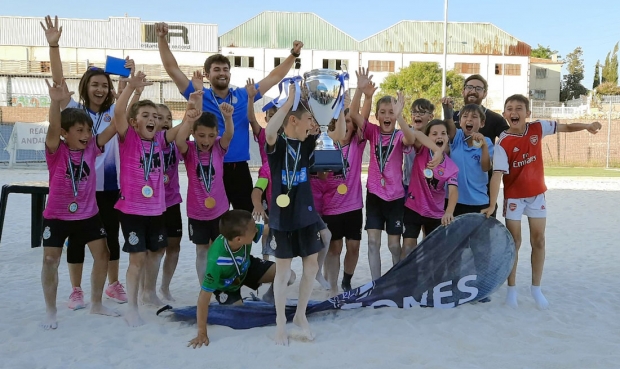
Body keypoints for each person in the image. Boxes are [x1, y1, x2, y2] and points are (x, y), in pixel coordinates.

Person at [156, 21, 304, 213]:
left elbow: (274, 77)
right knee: (214, 222)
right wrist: (161, 39)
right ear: (208, 74)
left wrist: (293, 55)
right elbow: (172, 69)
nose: (222, 73)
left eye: (225, 69)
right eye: (216, 69)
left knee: (245, 220)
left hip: (239, 168)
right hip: (209, 166)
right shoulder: (200, 94)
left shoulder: (243, 95)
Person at [482, 94, 602, 310]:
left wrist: (586, 125)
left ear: (528, 113)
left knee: (539, 241)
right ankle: (512, 289)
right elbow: (497, 176)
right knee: (515, 243)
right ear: (505, 115)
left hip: (537, 195)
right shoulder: (503, 143)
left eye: (519, 108)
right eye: (509, 108)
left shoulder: (538, 128)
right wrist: (493, 204)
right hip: (514, 198)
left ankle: (536, 288)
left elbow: (565, 127)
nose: (514, 111)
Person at [41, 15, 127, 305]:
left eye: (105, 84)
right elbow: (58, 81)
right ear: (86, 87)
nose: (100, 89)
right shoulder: (74, 110)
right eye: (95, 85)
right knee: (76, 241)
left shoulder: (115, 111)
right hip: (79, 190)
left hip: (110, 186)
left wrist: (128, 81)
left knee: (110, 240)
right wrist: (54, 46)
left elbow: (123, 110)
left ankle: (113, 284)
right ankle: (76, 289)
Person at [266, 83, 345, 345]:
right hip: (282, 218)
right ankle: (279, 323)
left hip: (306, 215)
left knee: (311, 264)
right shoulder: (278, 145)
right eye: (309, 119)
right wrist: (289, 101)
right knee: (283, 270)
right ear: (293, 121)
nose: (313, 124)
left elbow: (339, 135)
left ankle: (300, 314)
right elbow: (268, 131)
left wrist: (339, 105)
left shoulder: (308, 142)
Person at [113, 70, 193, 326]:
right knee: (136, 258)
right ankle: (132, 307)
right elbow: (117, 114)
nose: (152, 119)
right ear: (135, 122)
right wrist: (131, 88)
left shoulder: (161, 140)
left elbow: (182, 128)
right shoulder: (128, 139)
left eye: (155, 117)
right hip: (132, 210)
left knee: (157, 249)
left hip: (157, 210)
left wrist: (192, 111)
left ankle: (149, 293)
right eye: (145, 116)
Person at [40, 79, 120, 329]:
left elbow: (116, 125)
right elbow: (54, 125)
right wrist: (55, 101)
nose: (87, 135)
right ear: (66, 133)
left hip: (88, 215)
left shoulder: (92, 148)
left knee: (103, 254)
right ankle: (51, 311)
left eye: (88, 130)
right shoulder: (56, 150)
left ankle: (96, 303)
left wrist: (128, 91)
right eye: (80, 131)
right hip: (57, 216)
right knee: (50, 261)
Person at [351, 68, 439, 280]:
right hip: (374, 195)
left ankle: (397, 281)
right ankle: (376, 284)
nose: (387, 116)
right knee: (372, 242)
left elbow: (410, 139)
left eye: (391, 112)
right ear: (377, 115)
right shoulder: (372, 131)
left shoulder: (400, 135)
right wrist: (362, 92)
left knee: (393, 245)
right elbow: (353, 114)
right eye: (384, 112)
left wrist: (400, 117)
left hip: (396, 198)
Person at [187, 210, 296, 348]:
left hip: (246, 267)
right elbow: (203, 297)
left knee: (289, 275)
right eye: (253, 229)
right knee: (238, 315)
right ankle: (229, 300)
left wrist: (294, 226)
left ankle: (270, 296)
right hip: (226, 285)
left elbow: (269, 229)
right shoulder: (217, 260)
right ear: (239, 239)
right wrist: (202, 332)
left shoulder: (245, 230)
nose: (256, 229)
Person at [176, 71, 236, 286]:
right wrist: (190, 115)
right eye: (201, 135)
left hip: (219, 210)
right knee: (201, 250)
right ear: (194, 133)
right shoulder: (189, 150)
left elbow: (229, 135)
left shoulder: (219, 148)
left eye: (211, 135)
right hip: (197, 212)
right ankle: (205, 286)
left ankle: (218, 280)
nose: (206, 140)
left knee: (217, 248)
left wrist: (228, 118)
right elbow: (180, 139)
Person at [446, 74, 509, 218]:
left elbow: (508, 140)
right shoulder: (456, 135)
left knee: (481, 238)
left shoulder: (492, 127)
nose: (473, 90)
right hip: (454, 197)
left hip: (481, 196)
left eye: (478, 88)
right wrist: (447, 110)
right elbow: (445, 130)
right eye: (469, 87)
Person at [321, 108, 366, 295]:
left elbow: (362, 116)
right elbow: (321, 179)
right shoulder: (326, 145)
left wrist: (361, 98)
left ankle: (347, 281)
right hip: (331, 207)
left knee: (354, 247)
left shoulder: (357, 143)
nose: (346, 125)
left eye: (349, 121)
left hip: (354, 205)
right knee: (335, 248)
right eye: (342, 121)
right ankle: (332, 285)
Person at [402, 119, 458, 257]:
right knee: (408, 246)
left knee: (432, 252)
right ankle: (404, 277)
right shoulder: (422, 150)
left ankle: (429, 278)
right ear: (428, 137)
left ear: (447, 138)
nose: (439, 136)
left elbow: (453, 191)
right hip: (413, 207)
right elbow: (416, 134)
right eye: (434, 133)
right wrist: (436, 149)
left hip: (435, 213)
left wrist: (449, 212)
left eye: (443, 133)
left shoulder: (451, 167)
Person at [246, 79, 277, 261]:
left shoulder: (288, 135)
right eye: (270, 115)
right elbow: (251, 118)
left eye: (277, 115)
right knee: (268, 224)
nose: (274, 118)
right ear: (266, 118)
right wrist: (251, 98)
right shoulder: (263, 133)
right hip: (266, 181)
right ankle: (266, 259)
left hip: (282, 181)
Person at [155, 103, 183, 302]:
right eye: (160, 117)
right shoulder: (147, 143)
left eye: (169, 118)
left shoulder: (176, 144)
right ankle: (147, 288)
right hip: (152, 204)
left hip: (172, 201)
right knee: (156, 249)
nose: (165, 121)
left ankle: (165, 287)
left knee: (174, 246)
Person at [446, 104, 494, 216]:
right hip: (454, 200)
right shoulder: (457, 136)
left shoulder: (487, 142)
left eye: (474, 117)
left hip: (478, 201)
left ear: (482, 123)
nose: (469, 119)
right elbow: (449, 123)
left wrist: (484, 147)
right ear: (460, 122)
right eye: (465, 116)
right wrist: (447, 110)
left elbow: (486, 167)